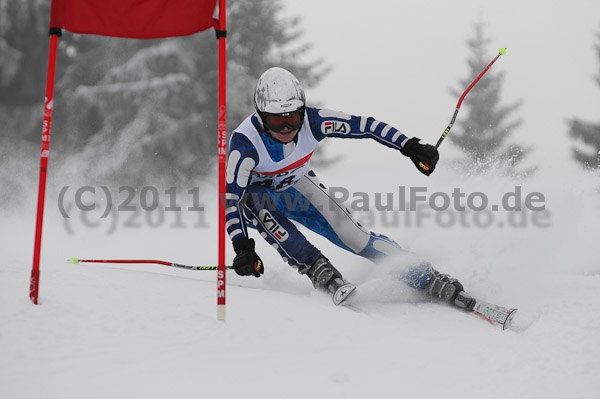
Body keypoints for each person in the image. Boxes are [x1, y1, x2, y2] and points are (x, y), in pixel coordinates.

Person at [225, 67, 474, 309]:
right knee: (255, 201)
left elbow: (365, 125)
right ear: (260, 116)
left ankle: (424, 275)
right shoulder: (246, 142)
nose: (286, 128)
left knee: (353, 236)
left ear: (302, 111)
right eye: (276, 121)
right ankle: (316, 267)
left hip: (297, 184)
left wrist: (410, 146)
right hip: (259, 197)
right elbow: (232, 199)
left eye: (292, 118)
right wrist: (242, 247)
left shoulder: (314, 121)